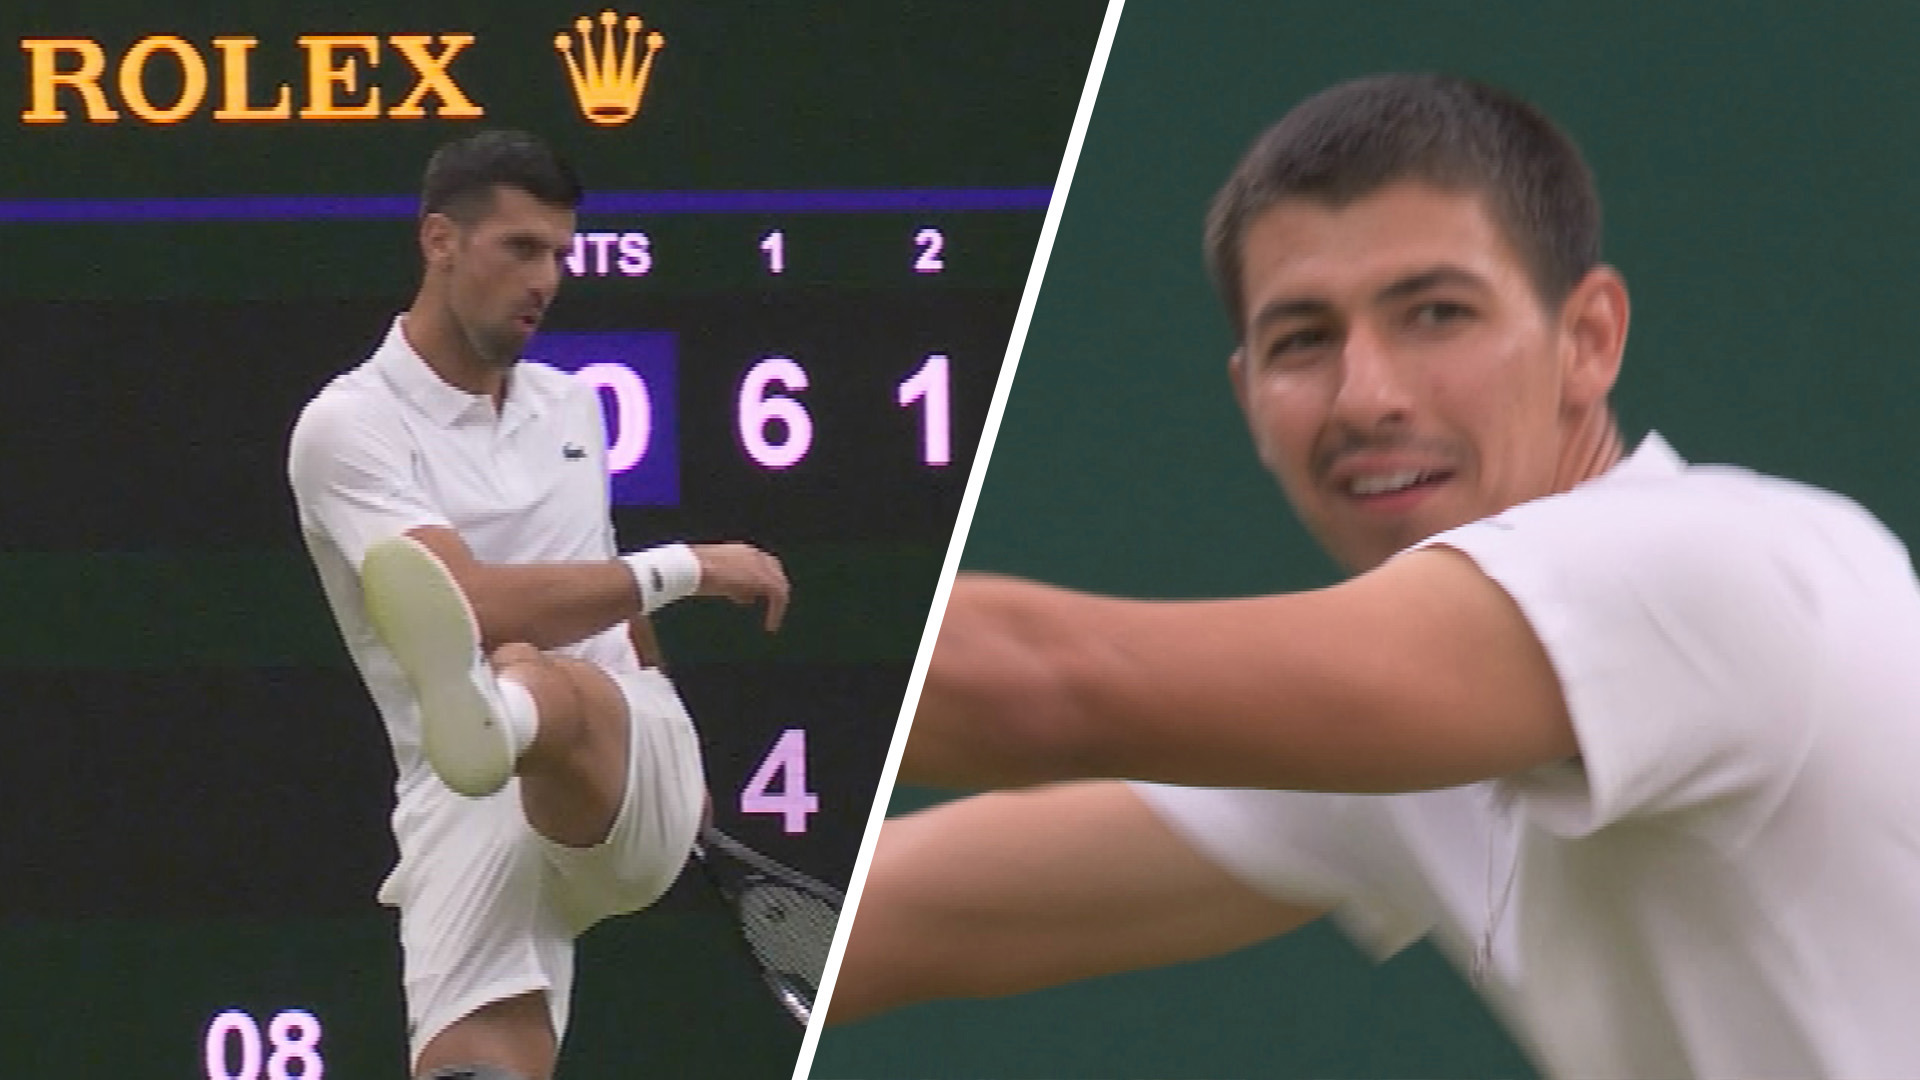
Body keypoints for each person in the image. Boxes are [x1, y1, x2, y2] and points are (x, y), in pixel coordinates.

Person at [827, 73, 1920, 1078]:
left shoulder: (1705, 570)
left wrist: (694, 585)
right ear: (1247, 392)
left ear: (1588, 339)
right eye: (1304, 340)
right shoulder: (1416, 751)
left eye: (1436, 313)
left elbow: (1041, 687)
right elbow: (881, 920)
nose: (1365, 395)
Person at [287, 130, 791, 1080]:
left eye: (560, 252)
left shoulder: (568, 406)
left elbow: (581, 590)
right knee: (471, 1066)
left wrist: (667, 716)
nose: (548, 278)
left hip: (618, 747)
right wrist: (687, 564)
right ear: (439, 241)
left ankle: (510, 708)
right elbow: (461, 601)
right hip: (459, 796)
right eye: (521, 248)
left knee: (524, 663)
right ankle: (500, 717)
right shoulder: (348, 427)